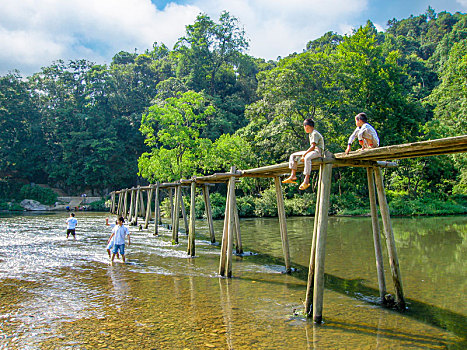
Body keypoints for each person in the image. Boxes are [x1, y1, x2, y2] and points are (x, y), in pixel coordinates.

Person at [282, 118, 325, 190]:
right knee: (293, 155)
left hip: (318, 152)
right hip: (313, 151)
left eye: (305, 127)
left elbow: (313, 146)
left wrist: (304, 155)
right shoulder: (310, 134)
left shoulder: (314, 133)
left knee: (307, 158)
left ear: (307, 126)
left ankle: (306, 180)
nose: (305, 129)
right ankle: (293, 175)